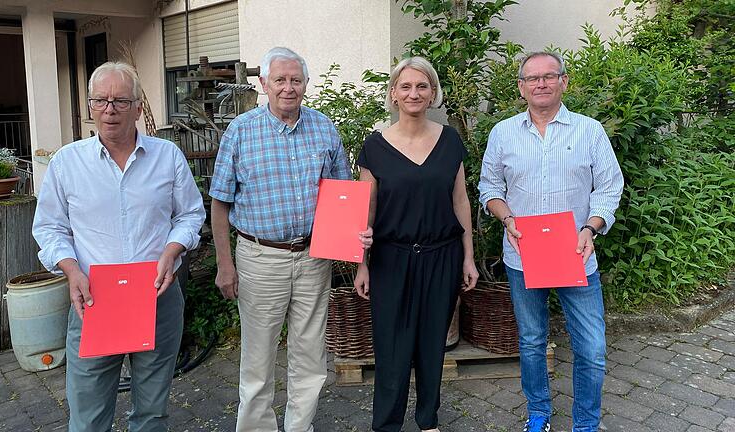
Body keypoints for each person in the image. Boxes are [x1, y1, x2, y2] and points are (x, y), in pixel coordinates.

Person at [32, 61, 205, 431]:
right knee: (89, 416)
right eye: (101, 100)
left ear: (138, 107)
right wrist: (71, 269)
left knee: (152, 412)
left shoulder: (167, 156)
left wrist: (173, 250)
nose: (110, 109)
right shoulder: (67, 163)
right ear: (91, 107)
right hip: (94, 300)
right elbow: (49, 228)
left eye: (121, 101)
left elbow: (191, 215)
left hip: (157, 297)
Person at [209, 46, 372, 432]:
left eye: (295, 80)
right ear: (264, 84)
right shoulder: (241, 131)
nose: (288, 87)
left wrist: (353, 240)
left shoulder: (323, 127)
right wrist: (224, 263)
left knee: (310, 356)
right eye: (279, 80)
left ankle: (301, 427)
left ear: (305, 84)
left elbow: (341, 194)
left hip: (314, 256)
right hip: (260, 258)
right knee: (257, 361)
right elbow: (219, 202)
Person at [478, 51, 624, 432]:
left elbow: (609, 187)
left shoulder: (589, 130)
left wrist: (590, 228)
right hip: (523, 255)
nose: (541, 83)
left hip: (577, 254)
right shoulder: (503, 133)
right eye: (532, 78)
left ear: (564, 81)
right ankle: (539, 412)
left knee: (592, 348)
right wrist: (507, 218)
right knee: (530, 341)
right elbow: (489, 187)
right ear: (521, 87)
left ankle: (586, 424)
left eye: (549, 76)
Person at [353, 56, 479, 432]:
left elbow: (460, 200)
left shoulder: (450, 140)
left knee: (431, 347)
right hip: (391, 259)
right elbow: (366, 209)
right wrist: (361, 262)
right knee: (391, 349)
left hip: (443, 255)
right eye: (405, 86)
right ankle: (387, 424)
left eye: (422, 86)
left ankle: (428, 421)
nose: (414, 93)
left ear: (433, 93)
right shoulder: (374, 147)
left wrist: (468, 258)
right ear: (393, 94)